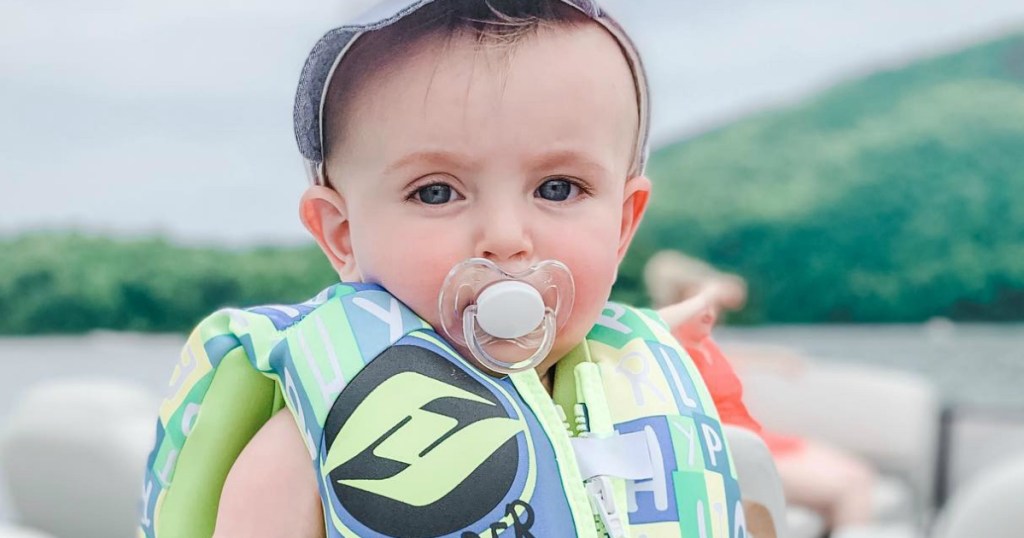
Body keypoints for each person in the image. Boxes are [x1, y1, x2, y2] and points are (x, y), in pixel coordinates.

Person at [139, 2, 756, 537]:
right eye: (436, 193)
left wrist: (669, 329)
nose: (507, 239)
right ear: (343, 234)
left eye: (559, 188)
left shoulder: (643, 375)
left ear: (621, 225)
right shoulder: (317, 445)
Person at [648, 251, 878, 532]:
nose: (714, 309)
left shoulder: (700, 342)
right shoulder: (665, 341)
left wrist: (773, 358)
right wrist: (708, 290)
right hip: (731, 453)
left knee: (859, 474)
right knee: (851, 487)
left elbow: (733, 332)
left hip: (758, 441)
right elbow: (668, 271)